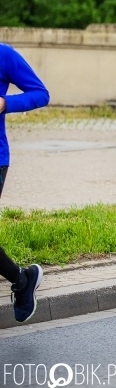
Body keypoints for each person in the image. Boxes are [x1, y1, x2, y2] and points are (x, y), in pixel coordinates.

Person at [0, 44, 49, 322]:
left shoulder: (4, 56)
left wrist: (6, 103)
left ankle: (22, 280)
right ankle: (22, 278)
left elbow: (41, 94)